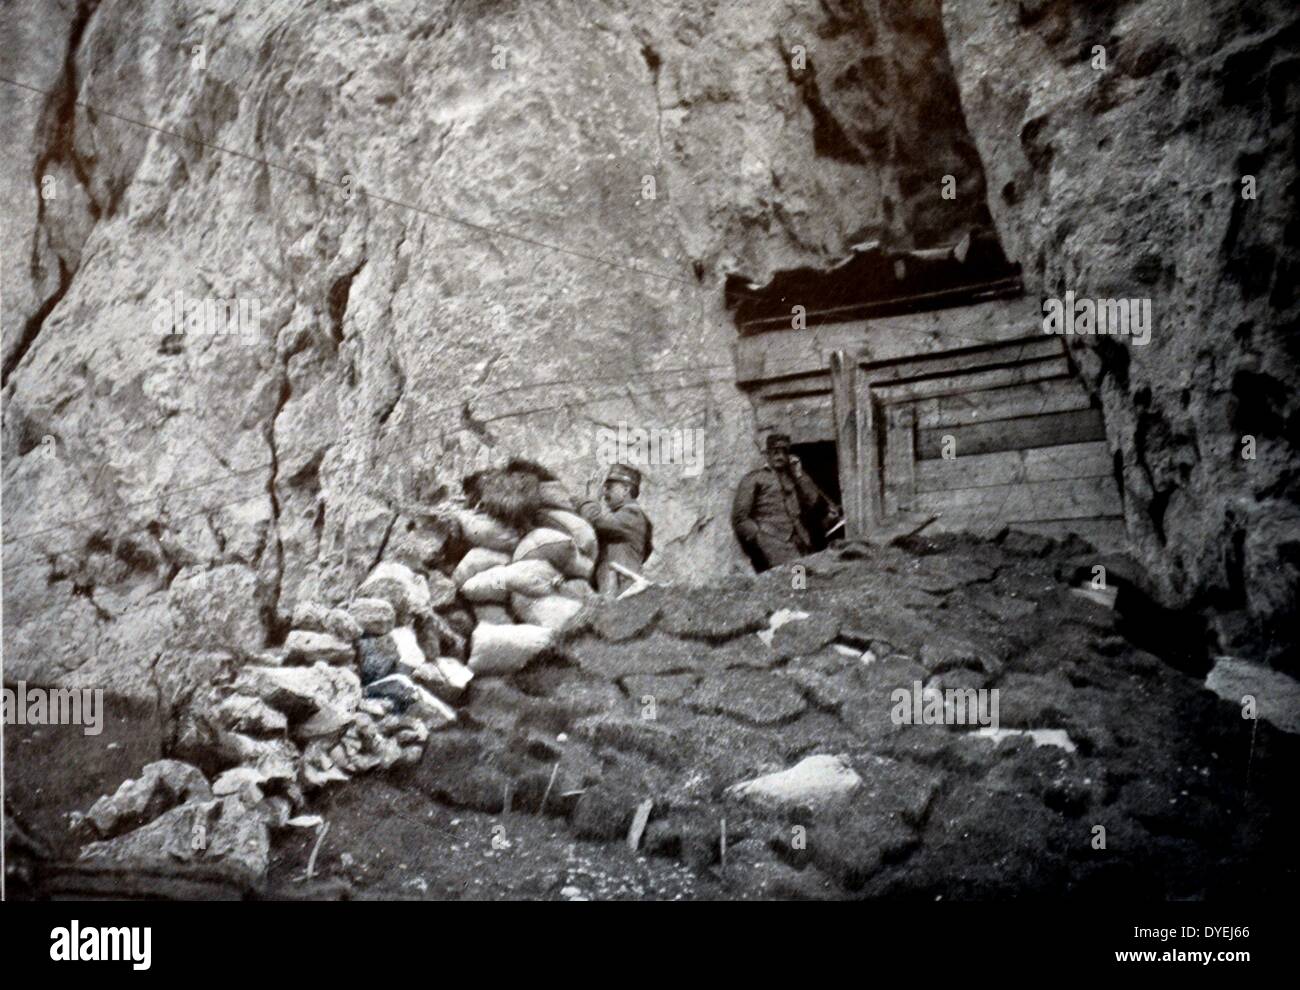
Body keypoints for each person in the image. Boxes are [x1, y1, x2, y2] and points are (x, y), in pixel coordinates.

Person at [731, 433, 841, 572]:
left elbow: (814, 502)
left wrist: (799, 475)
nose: (780, 456)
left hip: (799, 540)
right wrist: (759, 538)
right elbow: (740, 518)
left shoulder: (794, 477)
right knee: (793, 578)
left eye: (784, 452)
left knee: (804, 579)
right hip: (771, 540)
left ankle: (800, 591)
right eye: (775, 452)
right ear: (768, 454)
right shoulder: (753, 479)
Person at [577, 464, 654, 596]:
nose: (604, 492)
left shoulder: (632, 514)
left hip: (622, 593)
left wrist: (591, 498)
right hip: (614, 592)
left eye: (609, 487)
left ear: (625, 489)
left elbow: (595, 521)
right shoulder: (624, 518)